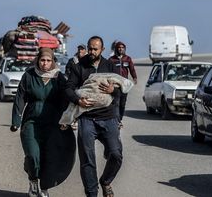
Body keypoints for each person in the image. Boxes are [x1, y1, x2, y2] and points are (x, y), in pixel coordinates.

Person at [10, 48, 74, 197]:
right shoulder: (29, 76)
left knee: (50, 157)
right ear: (38, 60)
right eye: (42, 60)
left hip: (53, 124)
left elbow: (66, 100)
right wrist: (16, 120)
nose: (45, 64)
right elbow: (20, 98)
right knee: (32, 155)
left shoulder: (59, 78)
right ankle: (33, 181)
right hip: (31, 122)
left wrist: (68, 120)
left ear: (53, 62)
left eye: (48, 60)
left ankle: (44, 188)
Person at [65, 36, 122, 197]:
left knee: (116, 154)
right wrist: (78, 100)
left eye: (95, 49)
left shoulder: (110, 65)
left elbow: (121, 90)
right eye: (90, 48)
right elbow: (68, 88)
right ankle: (92, 193)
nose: (91, 51)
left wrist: (113, 90)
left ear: (102, 49)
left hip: (108, 117)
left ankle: (105, 181)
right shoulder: (79, 67)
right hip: (87, 118)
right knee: (87, 159)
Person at [109, 41, 137, 123]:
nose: (121, 49)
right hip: (115, 85)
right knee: (116, 102)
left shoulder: (128, 59)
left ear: (124, 49)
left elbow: (132, 69)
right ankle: (117, 120)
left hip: (125, 85)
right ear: (116, 49)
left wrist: (134, 77)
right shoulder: (111, 59)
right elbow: (107, 70)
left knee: (122, 103)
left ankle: (120, 118)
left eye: (122, 48)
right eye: (119, 47)